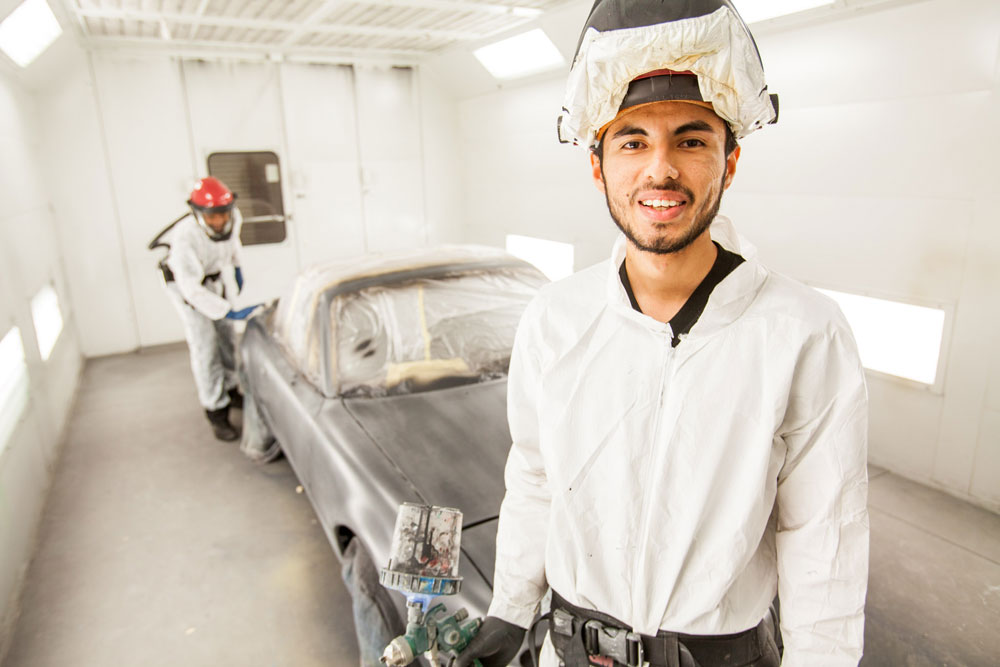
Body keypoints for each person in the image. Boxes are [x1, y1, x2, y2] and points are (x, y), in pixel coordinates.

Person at [456, 1, 869, 666]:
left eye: (692, 139)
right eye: (632, 141)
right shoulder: (554, 321)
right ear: (598, 167)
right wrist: (510, 606)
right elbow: (533, 477)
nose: (660, 170)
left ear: (729, 162)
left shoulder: (803, 334)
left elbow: (825, 536)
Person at [151, 177, 259, 441]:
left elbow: (233, 243)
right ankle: (215, 410)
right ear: (199, 214)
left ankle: (231, 389)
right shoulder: (185, 237)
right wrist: (226, 310)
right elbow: (191, 288)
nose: (219, 222)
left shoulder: (233, 218)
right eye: (213, 218)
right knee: (205, 346)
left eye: (223, 215)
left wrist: (237, 268)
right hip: (186, 288)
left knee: (226, 338)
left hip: (213, 280)